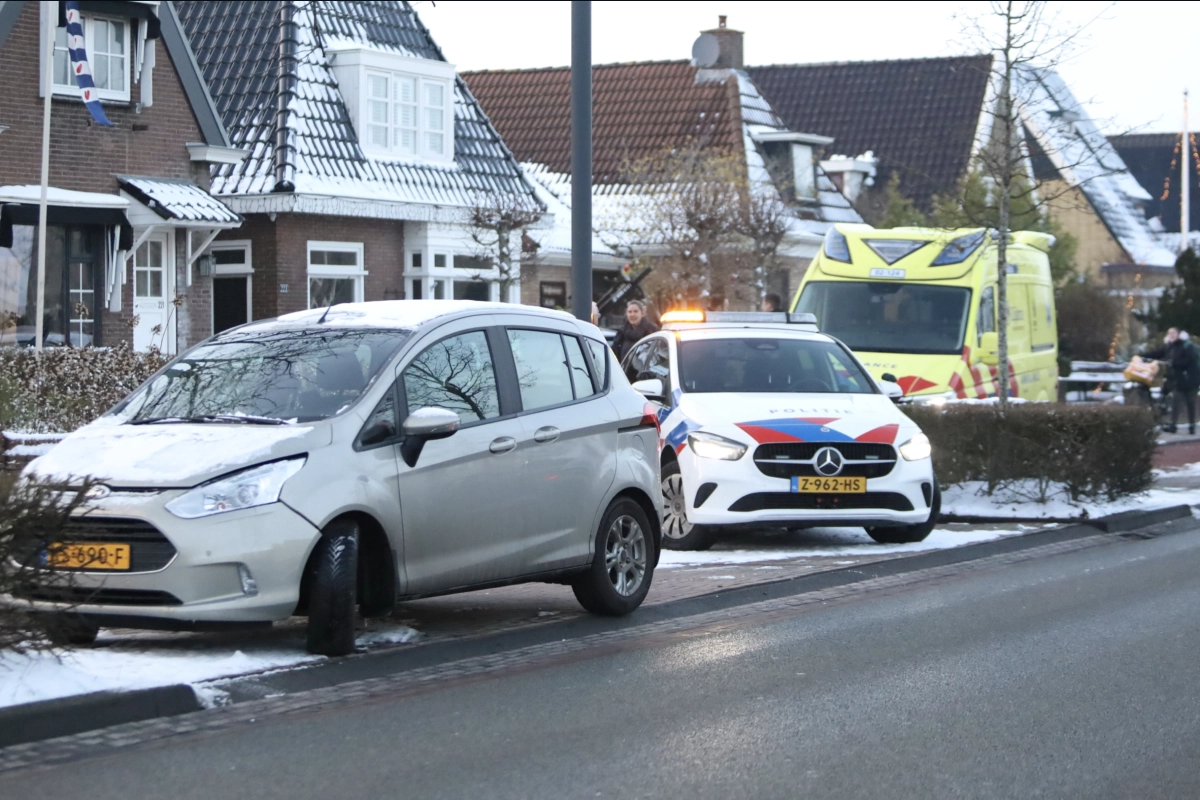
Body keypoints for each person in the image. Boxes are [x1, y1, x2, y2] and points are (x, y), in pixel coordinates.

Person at [1141, 327, 1200, 434]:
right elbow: (1158, 353)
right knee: (1176, 401)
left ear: (1179, 334)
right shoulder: (1169, 346)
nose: (1171, 335)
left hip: (1190, 380)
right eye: (1169, 333)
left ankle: (1191, 426)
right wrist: (1142, 355)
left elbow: (1189, 361)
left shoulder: (1186, 346)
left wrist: (1174, 364)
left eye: (1173, 333)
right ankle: (1173, 425)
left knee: (1190, 403)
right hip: (1179, 380)